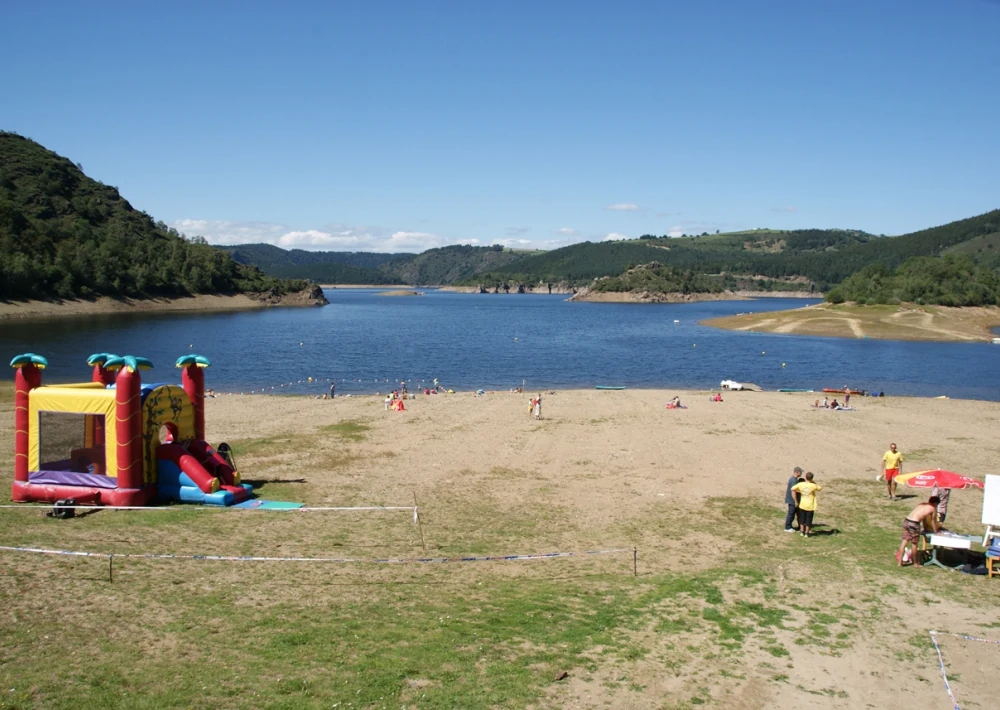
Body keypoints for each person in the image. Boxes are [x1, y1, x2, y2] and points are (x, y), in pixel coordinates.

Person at [897, 496, 941, 566]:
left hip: (906, 521)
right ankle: (916, 563)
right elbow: (933, 522)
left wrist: (925, 529)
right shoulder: (933, 508)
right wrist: (936, 532)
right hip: (914, 523)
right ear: (936, 503)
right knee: (914, 543)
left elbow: (923, 518)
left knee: (904, 542)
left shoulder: (922, 504)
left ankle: (900, 563)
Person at [791, 472, 822, 537]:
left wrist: (799, 491)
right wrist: (813, 481)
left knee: (802, 519)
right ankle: (807, 533)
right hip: (810, 505)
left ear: (805, 477)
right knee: (808, 520)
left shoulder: (801, 484)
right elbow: (820, 488)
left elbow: (793, 488)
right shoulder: (813, 486)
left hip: (802, 504)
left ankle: (802, 531)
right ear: (812, 478)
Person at [784, 466, 805, 532]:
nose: (801, 473)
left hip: (791, 499)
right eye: (800, 472)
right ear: (797, 472)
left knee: (793, 513)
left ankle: (790, 526)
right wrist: (796, 501)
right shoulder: (794, 480)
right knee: (791, 514)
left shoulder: (793, 479)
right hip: (792, 500)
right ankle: (787, 527)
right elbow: (793, 492)